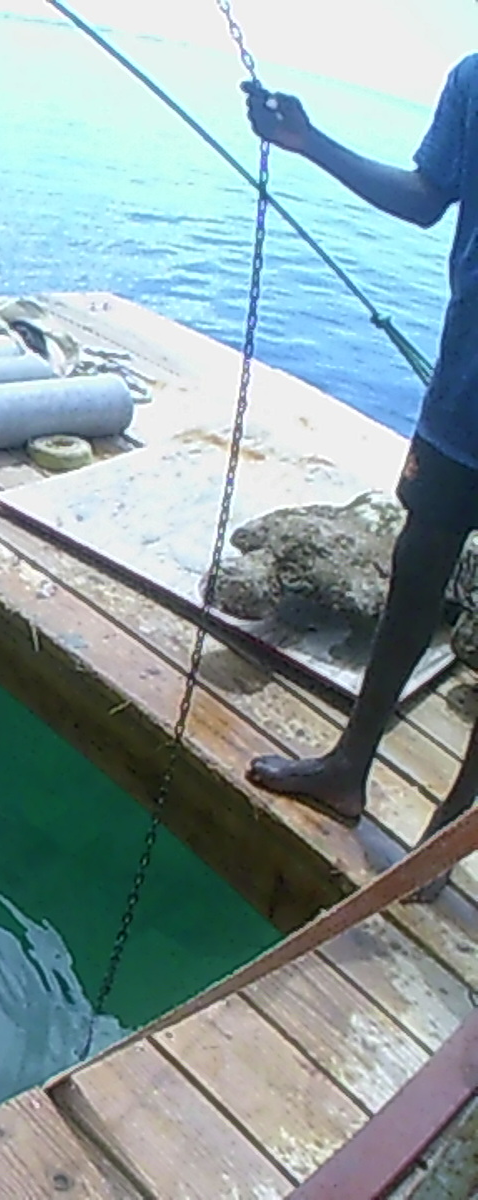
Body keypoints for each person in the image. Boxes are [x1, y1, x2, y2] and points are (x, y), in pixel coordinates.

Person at [240, 59, 477, 898]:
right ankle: (349, 766)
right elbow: (424, 196)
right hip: (466, 391)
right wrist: (308, 144)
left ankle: (447, 838)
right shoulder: (473, 79)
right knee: (416, 573)